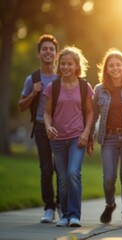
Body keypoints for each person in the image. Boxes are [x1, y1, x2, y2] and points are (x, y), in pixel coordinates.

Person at [43, 46, 94, 227]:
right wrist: (48, 127)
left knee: (73, 173)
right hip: (57, 139)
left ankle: (74, 215)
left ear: (76, 65)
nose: (66, 67)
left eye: (70, 64)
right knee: (63, 178)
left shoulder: (84, 86)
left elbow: (89, 113)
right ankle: (64, 215)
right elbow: (47, 113)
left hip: (76, 137)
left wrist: (86, 132)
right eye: (63, 63)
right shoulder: (53, 87)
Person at [18, 34, 61, 223]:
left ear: (56, 53)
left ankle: (61, 204)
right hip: (41, 128)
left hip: (61, 129)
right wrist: (33, 92)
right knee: (45, 169)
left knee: (61, 168)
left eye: (51, 49)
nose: (48, 52)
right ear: (39, 54)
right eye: (44, 49)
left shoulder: (62, 76)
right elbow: (21, 105)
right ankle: (49, 207)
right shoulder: (32, 78)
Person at [91, 49, 122, 227]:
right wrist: (88, 138)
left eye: (119, 65)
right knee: (109, 178)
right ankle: (110, 204)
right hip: (108, 138)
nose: (116, 68)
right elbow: (93, 115)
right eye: (112, 66)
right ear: (107, 70)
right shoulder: (99, 90)